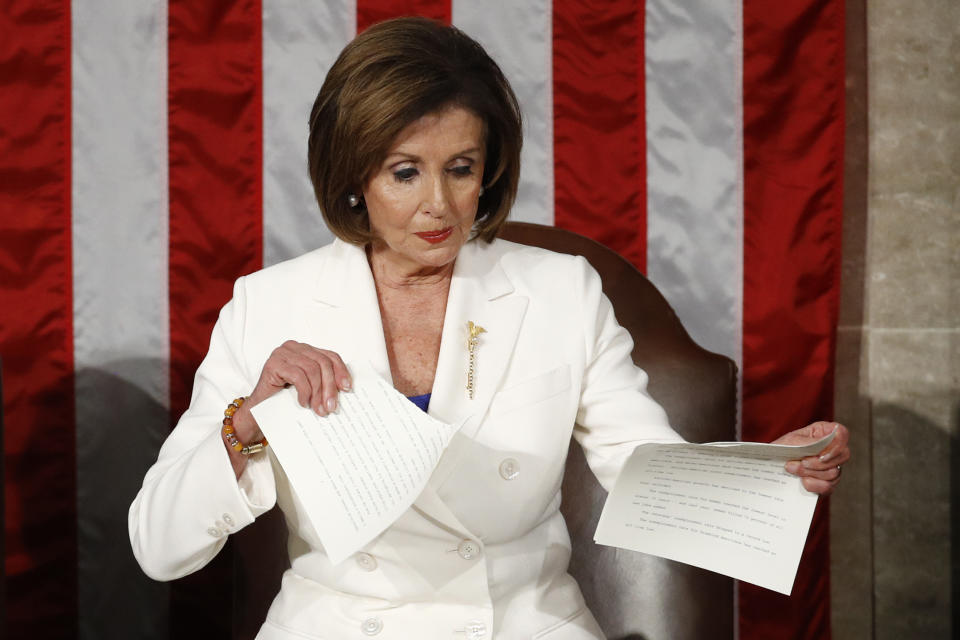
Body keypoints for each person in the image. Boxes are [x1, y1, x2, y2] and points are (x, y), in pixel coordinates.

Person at [129, 16, 850, 640]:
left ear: (489, 170)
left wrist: (762, 474)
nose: (439, 205)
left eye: (462, 168)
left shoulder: (560, 290)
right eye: (405, 172)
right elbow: (158, 545)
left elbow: (644, 467)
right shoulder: (268, 305)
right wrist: (246, 425)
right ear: (353, 175)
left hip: (521, 622)